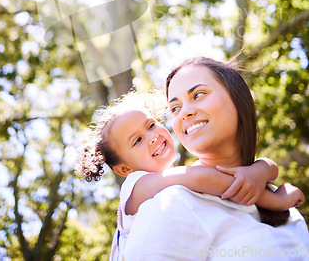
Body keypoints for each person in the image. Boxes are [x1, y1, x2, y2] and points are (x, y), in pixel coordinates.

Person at [74, 89, 304, 260]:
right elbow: (203, 178)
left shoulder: (176, 181)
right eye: (137, 140)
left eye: (151, 125)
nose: (152, 136)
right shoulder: (136, 186)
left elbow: (212, 175)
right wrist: (274, 199)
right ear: (124, 170)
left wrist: (261, 168)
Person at [122, 57, 309, 260]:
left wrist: (264, 172)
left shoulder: (290, 215)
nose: (184, 112)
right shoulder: (172, 202)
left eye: (198, 94)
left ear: (237, 97)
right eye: (175, 108)